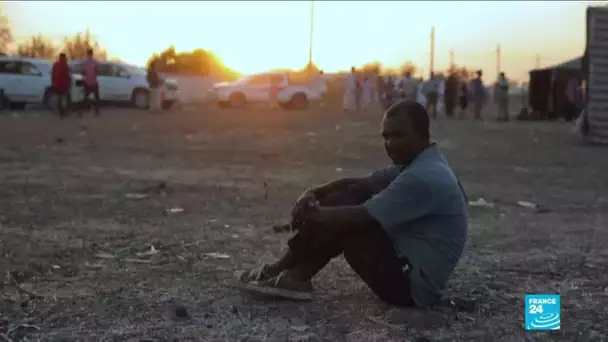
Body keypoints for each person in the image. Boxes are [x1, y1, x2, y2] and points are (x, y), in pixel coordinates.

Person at [236, 100, 469, 308]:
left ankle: (293, 276)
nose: (390, 144)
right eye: (386, 137)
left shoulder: (423, 177)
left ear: (421, 134)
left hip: (410, 288)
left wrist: (313, 213)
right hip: (406, 266)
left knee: (346, 214)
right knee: (349, 194)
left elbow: (359, 216)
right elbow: (359, 183)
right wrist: (313, 192)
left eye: (398, 135)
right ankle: (286, 272)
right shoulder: (423, 163)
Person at [81, 48, 100, 117]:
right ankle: (96, 110)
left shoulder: (84, 62)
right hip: (94, 82)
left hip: (87, 82)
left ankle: (87, 108)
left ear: (87, 54)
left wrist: (86, 76)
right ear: (92, 54)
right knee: (96, 97)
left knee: (87, 96)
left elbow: (83, 72)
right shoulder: (95, 62)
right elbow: (97, 72)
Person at [51, 53, 72, 118]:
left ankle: (61, 111)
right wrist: (69, 83)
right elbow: (68, 76)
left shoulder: (55, 65)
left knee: (59, 98)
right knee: (66, 98)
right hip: (64, 85)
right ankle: (64, 111)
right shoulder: (66, 65)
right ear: (64, 58)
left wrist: (53, 83)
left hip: (57, 84)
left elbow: (53, 74)